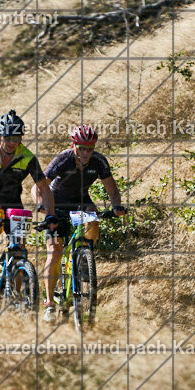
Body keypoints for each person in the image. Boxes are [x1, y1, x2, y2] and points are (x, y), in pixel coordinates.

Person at [0, 110, 56, 313]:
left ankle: (14, 298)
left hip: (12, 206)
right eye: (8, 137)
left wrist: (50, 214)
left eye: (17, 137)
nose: (12, 142)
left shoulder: (27, 156)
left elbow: (44, 188)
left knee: (20, 250)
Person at [34, 125, 125, 320]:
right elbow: (40, 186)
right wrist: (42, 206)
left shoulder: (99, 161)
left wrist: (117, 206)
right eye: (81, 148)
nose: (85, 152)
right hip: (55, 203)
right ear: (73, 145)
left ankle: (85, 256)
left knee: (93, 215)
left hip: (80, 202)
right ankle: (49, 303)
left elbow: (113, 190)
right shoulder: (63, 159)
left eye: (90, 149)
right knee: (55, 251)